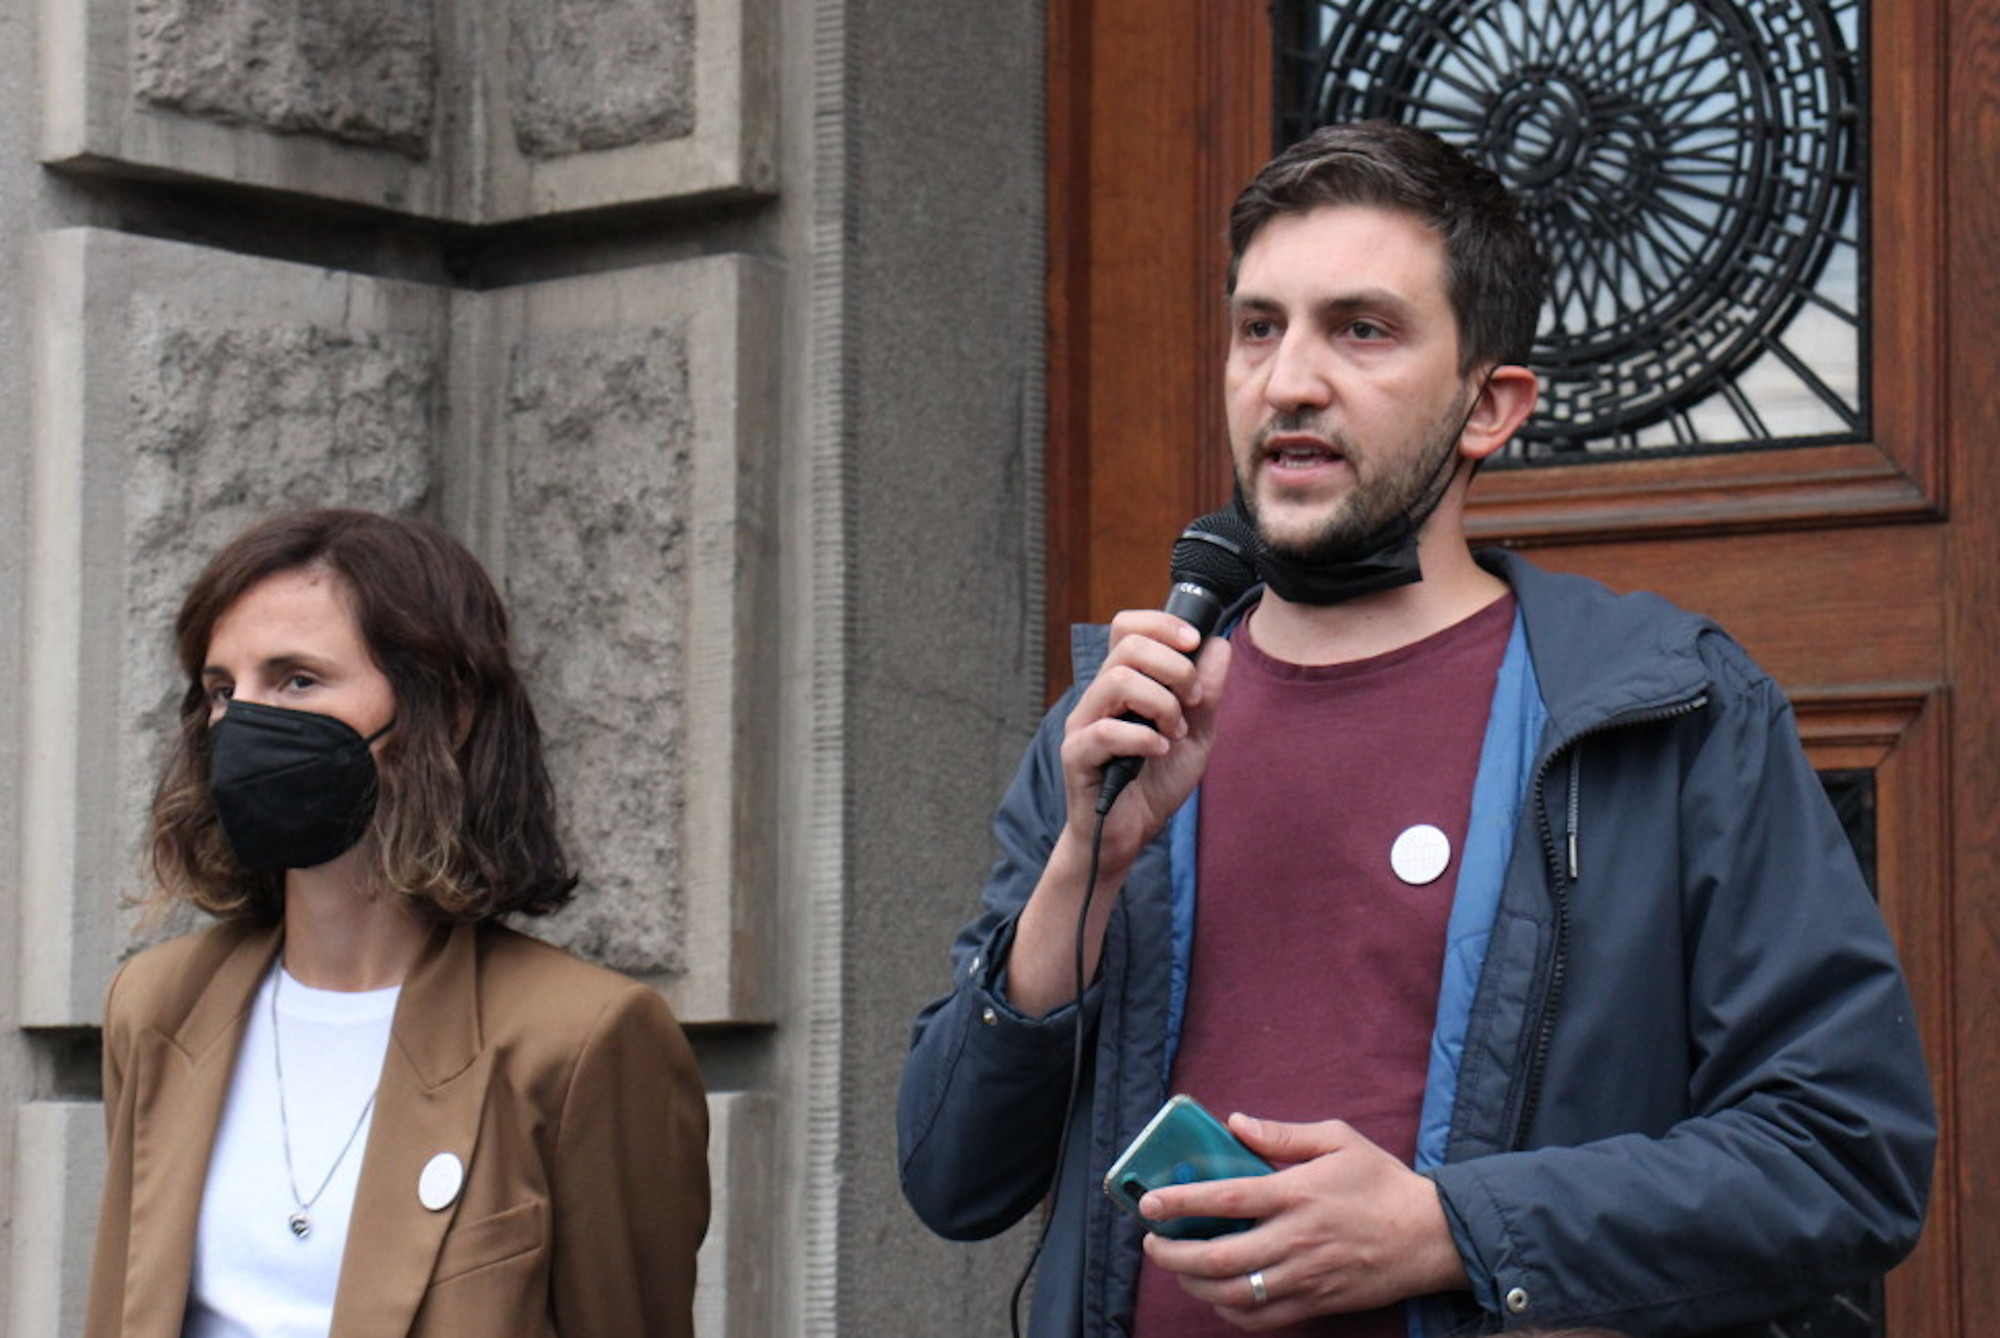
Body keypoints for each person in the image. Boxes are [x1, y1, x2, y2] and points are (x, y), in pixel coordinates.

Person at [898, 122, 1934, 1336]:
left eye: (1361, 330)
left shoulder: (1668, 712)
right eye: (1256, 328)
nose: (1287, 379)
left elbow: (1840, 1157)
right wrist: (1088, 861)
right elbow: (951, 1177)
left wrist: (1450, 1228)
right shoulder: (1119, 723)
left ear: (1488, 407)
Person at [86, 509, 709, 1338]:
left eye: (297, 680)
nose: (241, 725)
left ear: (443, 710)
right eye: (222, 690)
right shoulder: (158, 1007)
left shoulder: (582, 1039)